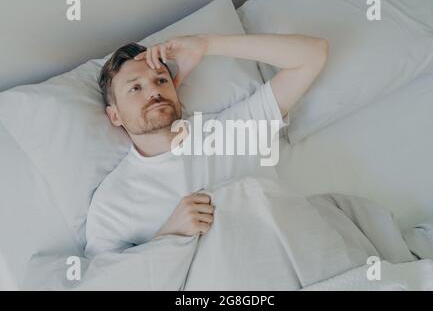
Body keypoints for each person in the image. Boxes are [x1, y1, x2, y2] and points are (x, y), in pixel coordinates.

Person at [85, 33, 328, 258]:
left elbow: (313, 54)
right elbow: (106, 281)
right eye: (135, 88)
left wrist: (207, 44)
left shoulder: (230, 130)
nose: (153, 92)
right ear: (114, 115)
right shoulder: (112, 203)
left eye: (160, 80)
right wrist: (168, 236)